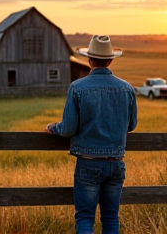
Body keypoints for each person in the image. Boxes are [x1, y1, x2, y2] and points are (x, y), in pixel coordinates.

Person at [45, 35, 137, 234]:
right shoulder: (127, 88)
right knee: (111, 217)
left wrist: (53, 128)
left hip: (88, 162)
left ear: (89, 59)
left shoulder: (77, 87)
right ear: (111, 60)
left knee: (85, 217)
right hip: (115, 162)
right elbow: (131, 125)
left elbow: (68, 128)